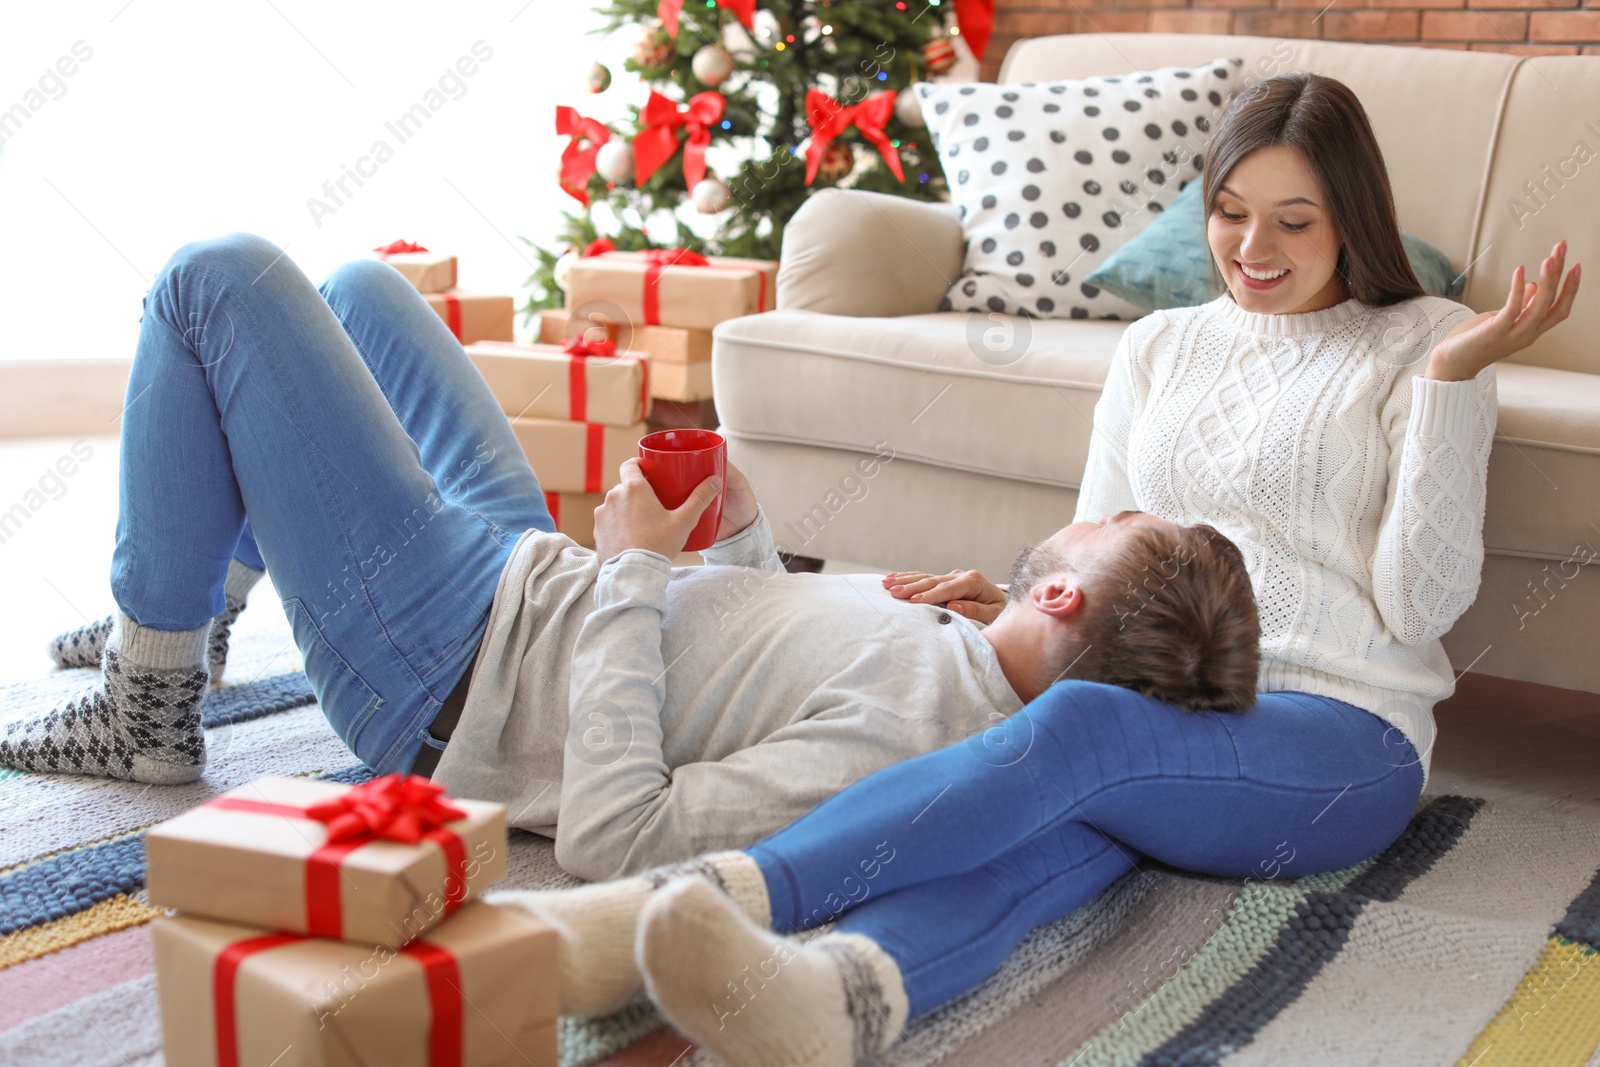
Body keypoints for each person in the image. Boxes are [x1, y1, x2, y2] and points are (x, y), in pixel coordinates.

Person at [485, 70, 1583, 1067]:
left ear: (1352, 218)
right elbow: (1099, 531)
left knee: (1078, 740)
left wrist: (1450, 381)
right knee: (1047, 814)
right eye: (1230, 214)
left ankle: (665, 911)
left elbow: (1424, 602)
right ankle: (836, 996)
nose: (1254, 248)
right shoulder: (1161, 347)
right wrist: (1017, 604)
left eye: (1294, 221)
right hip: (1159, 689)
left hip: (1337, 733)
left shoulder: (1428, 342)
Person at [0, 226, 1259, 887]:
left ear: (1062, 588)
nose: (1090, 512)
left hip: (446, 671)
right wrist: (740, 523)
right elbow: (756, 649)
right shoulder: (968, 644)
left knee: (212, 280)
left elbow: (618, 830)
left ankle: (149, 699)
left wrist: (636, 569)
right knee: (361, 289)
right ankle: (193, 605)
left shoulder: (911, 732)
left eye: (1112, 522)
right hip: (525, 579)